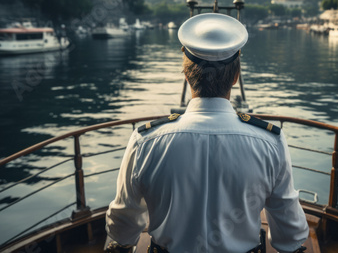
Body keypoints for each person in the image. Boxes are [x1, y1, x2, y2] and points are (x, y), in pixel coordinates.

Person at [104, 13, 309, 253]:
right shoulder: (270, 142)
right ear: (235, 77)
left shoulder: (145, 142)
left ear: (187, 74)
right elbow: (291, 236)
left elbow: (122, 230)